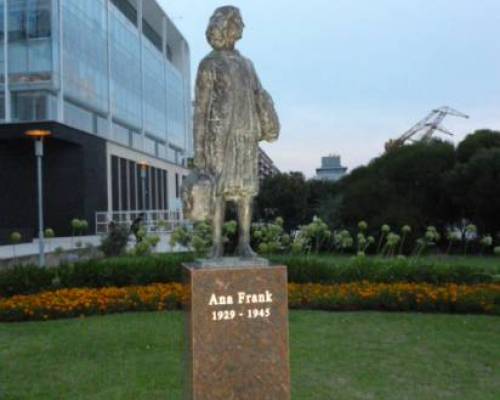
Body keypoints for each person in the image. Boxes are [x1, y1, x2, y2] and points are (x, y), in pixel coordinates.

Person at [193, 6, 280, 258]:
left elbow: (259, 95)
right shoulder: (209, 64)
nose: (242, 26)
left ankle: (244, 243)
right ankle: (217, 244)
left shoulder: (247, 64)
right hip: (219, 136)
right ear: (225, 27)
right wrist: (198, 148)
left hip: (245, 133)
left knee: (246, 191)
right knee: (218, 188)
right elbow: (200, 109)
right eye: (238, 22)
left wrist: (267, 119)